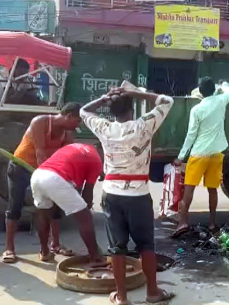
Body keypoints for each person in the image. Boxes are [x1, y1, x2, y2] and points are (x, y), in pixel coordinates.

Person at [81, 87, 176, 305]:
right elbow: (167, 100)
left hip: (112, 193)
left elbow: (84, 111)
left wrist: (104, 98)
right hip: (139, 194)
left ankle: (122, 297)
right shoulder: (144, 125)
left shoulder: (104, 127)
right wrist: (137, 93)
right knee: (146, 245)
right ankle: (153, 292)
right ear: (132, 109)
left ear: (111, 111)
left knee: (117, 247)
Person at [2, 103, 82, 263]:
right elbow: (40, 153)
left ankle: (55, 245)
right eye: (77, 121)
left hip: (45, 169)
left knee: (53, 208)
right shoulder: (40, 122)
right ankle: (9, 249)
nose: (78, 126)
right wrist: (48, 178)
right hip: (21, 167)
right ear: (69, 116)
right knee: (14, 207)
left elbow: (68, 157)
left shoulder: (66, 134)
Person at [172, 76, 229, 238]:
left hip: (199, 153)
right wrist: (221, 87)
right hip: (217, 152)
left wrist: (180, 157)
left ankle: (183, 222)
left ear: (199, 92)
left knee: (189, 188)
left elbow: (191, 135)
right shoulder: (221, 101)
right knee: (212, 189)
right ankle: (212, 223)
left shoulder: (196, 110)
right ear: (213, 90)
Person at [30, 143, 104, 264]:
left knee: (44, 215)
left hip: (38, 175)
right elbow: (87, 192)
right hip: (55, 178)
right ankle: (96, 256)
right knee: (85, 217)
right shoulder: (96, 160)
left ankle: (45, 252)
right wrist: (86, 208)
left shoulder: (76, 146)